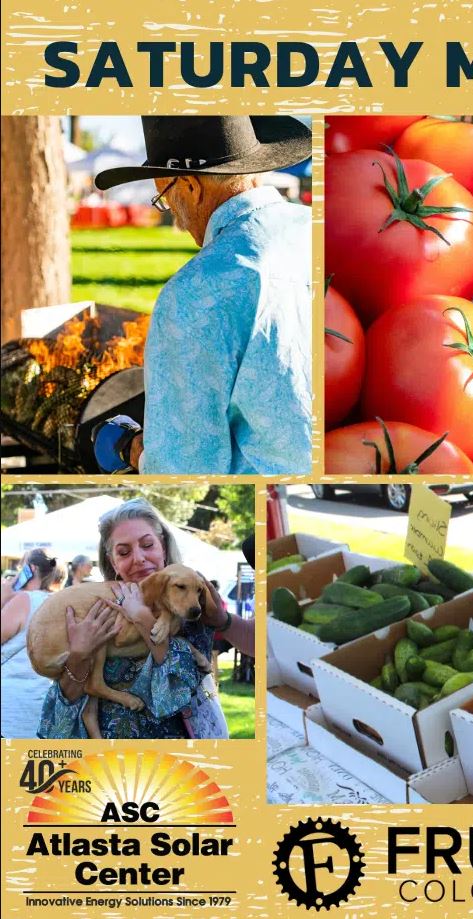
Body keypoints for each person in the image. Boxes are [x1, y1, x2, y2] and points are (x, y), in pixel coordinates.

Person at [90, 116, 313, 475]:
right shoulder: (316, 231)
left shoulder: (194, 293)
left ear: (191, 187)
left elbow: (184, 468)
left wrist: (130, 448)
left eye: (165, 196)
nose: (174, 216)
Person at [37, 500, 231, 739]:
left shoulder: (193, 602)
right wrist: (79, 655)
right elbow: (61, 716)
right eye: (124, 552)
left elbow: (178, 691)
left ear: (163, 547)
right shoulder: (98, 605)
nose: (138, 558)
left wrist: (142, 617)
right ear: (112, 562)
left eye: (148, 545)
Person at [1, 550, 63, 738]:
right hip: (46, 700)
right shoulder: (59, 602)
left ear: (32, 568)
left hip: (11, 705)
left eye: (22, 567)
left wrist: (3, 598)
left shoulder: (24, 600)